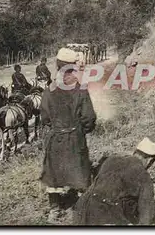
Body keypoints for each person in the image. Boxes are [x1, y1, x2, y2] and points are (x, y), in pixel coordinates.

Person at [40, 48, 97, 224]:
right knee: (79, 170)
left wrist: (57, 127)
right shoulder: (80, 90)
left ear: (57, 66)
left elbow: (45, 117)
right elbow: (89, 117)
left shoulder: (49, 90)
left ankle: (55, 209)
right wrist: (82, 130)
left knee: (54, 172)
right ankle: (80, 208)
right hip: (74, 136)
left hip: (56, 137)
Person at [74, 138, 155, 225]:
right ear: (150, 160)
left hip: (84, 207)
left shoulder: (111, 159)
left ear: (135, 152)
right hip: (107, 215)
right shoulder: (143, 175)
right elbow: (147, 211)